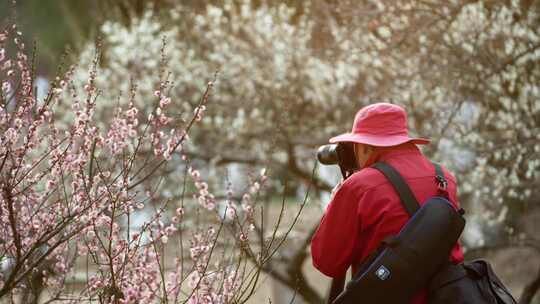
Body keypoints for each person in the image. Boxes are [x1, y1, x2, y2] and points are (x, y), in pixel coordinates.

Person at [311, 102, 464, 304]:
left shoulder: (359, 186)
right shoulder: (445, 177)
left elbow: (326, 262)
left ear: (366, 146)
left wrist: (339, 195)